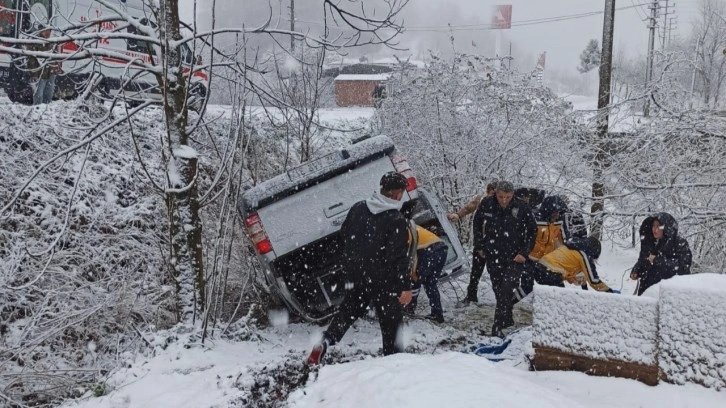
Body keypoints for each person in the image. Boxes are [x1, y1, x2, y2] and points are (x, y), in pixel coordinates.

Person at [307, 172, 413, 366]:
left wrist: (357, 261)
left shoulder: (358, 208)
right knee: (391, 325)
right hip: (384, 280)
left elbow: (344, 234)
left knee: (348, 311)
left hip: (356, 274)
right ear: (398, 194)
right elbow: (398, 257)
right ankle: (394, 364)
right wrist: (405, 286)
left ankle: (325, 340)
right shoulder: (396, 219)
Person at [472, 181, 537, 337]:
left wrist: (524, 252)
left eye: (507, 197)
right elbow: (477, 223)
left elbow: (532, 230)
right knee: (498, 290)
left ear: (513, 194)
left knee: (507, 289)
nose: (504, 200)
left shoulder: (521, 207)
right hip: (493, 253)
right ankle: (506, 319)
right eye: (501, 196)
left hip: (515, 256)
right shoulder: (487, 203)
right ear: (496, 193)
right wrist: (480, 245)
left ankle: (497, 327)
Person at [513, 236, 618, 301]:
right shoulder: (584, 255)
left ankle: (508, 302)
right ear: (593, 252)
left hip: (541, 268)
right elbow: (594, 280)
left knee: (529, 288)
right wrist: (610, 292)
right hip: (551, 273)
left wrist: (585, 294)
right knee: (559, 299)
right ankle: (551, 321)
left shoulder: (574, 247)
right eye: (595, 259)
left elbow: (583, 278)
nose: (594, 261)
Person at [447, 180, 497, 305]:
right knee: (476, 271)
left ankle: (501, 298)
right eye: (492, 192)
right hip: (480, 240)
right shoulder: (481, 200)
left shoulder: (502, 203)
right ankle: (471, 295)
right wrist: (458, 215)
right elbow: (469, 207)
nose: (493, 195)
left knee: (496, 273)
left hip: (495, 242)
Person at [630, 213, 692, 296]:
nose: (655, 230)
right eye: (653, 226)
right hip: (647, 292)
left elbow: (683, 268)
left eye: (659, 226)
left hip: (669, 293)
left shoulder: (679, 244)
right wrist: (637, 270)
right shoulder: (650, 243)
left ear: (667, 228)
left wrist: (657, 260)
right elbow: (643, 260)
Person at [519, 195, 568, 297]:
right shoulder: (535, 220)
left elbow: (564, 241)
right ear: (548, 210)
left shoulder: (558, 222)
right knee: (526, 287)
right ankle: (506, 304)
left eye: (559, 212)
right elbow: (523, 237)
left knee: (558, 286)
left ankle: (554, 308)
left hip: (545, 262)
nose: (557, 215)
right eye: (555, 212)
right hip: (529, 259)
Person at [407, 225, 448, 323]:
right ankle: (437, 314)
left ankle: (409, 309)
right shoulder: (409, 226)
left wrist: (413, 275)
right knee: (430, 283)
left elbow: (413, 258)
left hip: (430, 250)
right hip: (442, 248)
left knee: (416, 280)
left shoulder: (402, 233)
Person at [26, 25, 58, 105]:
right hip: (39, 75)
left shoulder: (52, 42)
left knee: (48, 97)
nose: (47, 33)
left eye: (49, 31)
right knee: (38, 97)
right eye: (45, 31)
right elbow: (31, 60)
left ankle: (46, 114)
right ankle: (37, 113)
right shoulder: (35, 42)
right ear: (40, 31)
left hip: (50, 74)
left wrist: (55, 70)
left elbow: (56, 57)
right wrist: (34, 74)